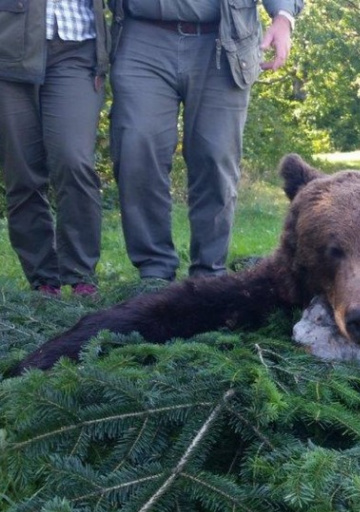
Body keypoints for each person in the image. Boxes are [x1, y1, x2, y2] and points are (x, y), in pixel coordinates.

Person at [108, 1, 303, 282]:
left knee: (215, 156)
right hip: (143, 37)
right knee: (136, 146)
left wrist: (283, 18)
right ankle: (154, 271)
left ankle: (208, 275)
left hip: (223, 42)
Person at [0, 0, 109, 297]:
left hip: (78, 48)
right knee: (22, 173)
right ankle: (43, 280)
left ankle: (81, 274)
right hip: (8, 50)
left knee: (74, 160)